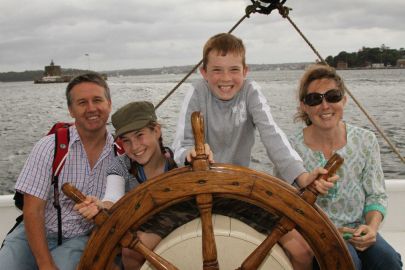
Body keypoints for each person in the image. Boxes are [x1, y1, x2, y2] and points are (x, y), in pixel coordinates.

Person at [172, 33, 336, 270]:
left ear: (245, 71)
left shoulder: (251, 91)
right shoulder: (196, 92)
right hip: (197, 189)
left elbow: (272, 135)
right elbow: (181, 144)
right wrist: (190, 154)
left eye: (234, 70)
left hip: (238, 189)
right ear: (204, 73)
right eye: (217, 70)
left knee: (302, 251)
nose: (226, 78)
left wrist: (302, 177)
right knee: (134, 251)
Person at [290, 64, 403, 270]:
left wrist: (371, 229)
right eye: (315, 99)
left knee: (390, 262)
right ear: (304, 106)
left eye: (332, 96)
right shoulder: (290, 149)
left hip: (358, 229)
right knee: (348, 263)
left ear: (344, 99)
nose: (325, 106)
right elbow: (286, 201)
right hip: (317, 235)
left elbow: (376, 195)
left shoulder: (366, 140)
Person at [0, 73, 115, 269]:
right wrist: (45, 264)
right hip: (35, 231)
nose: (91, 108)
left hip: (80, 237)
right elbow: (33, 210)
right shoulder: (50, 147)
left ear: (109, 104)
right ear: (71, 110)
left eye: (97, 100)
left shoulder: (119, 153)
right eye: (82, 102)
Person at [74, 101, 195, 269]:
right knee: (130, 250)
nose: (135, 147)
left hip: (185, 225)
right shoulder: (120, 166)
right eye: (126, 141)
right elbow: (112, 199)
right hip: (143, 237)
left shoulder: (180, 160)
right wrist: (101, 205)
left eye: (140, 135)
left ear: (157, 130)